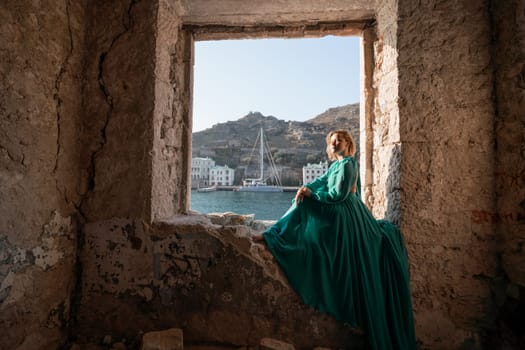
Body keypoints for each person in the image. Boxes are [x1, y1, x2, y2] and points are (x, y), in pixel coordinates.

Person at [252, 130, 416, 350]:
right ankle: (274, 234)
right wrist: (307, 188)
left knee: (306, 204)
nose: (335, 143)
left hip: (344, 213)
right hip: (341, 210)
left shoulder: (348, 164)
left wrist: (310, 195)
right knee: (304, 198)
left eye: (339, 140)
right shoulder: (336, 165)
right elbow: (322, 181)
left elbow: (337, 195)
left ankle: (273, 235)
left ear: (348, 143)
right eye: (332, 141)